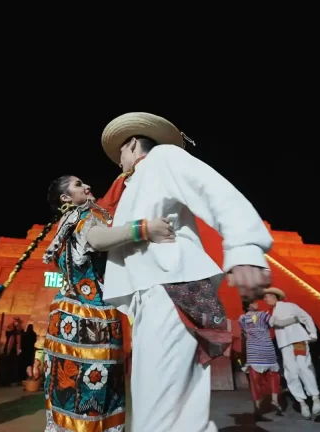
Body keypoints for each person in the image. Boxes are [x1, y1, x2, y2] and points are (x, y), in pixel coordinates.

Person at [98, 112, 274, 432]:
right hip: (152, 291)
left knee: (157, 409)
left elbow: (212, 189)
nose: (118, 160)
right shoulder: (129, 185)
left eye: (121, 152)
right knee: (178, 409)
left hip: (170, 286)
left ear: (133, 143)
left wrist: (245, 246)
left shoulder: (163, 157)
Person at [40, 174, 174, 432]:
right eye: (78, 185)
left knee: (71, 388)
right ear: (65, 198)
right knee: (93, 387)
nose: (87, 185)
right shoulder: (83, 215)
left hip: (69, 316)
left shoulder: (67, 223)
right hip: (89, 319)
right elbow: (98, 239)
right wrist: (144, 228)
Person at [263, 287, 320, 419]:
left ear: (274, 297)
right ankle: (302, 402)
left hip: (298, 340)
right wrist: (292, 320)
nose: (265, 299)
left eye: (267, 296)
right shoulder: (269, 313)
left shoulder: (290, 306)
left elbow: (306, 317)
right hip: (284, 345)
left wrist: (312, 333)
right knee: (290, 372)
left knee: (304, 367)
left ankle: (315, 398)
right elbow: (277, 323)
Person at [239, 301, 289, 417]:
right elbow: (276, 323)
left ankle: (257, 405)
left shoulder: (242, 318)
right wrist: (293, 320)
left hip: (253, 351)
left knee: (255, 380)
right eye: (253, 302)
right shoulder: (263, 315)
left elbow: (245, 333)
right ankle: (274, 399)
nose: (256, 303)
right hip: (267, 349)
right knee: (273, 376)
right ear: (248, 305)